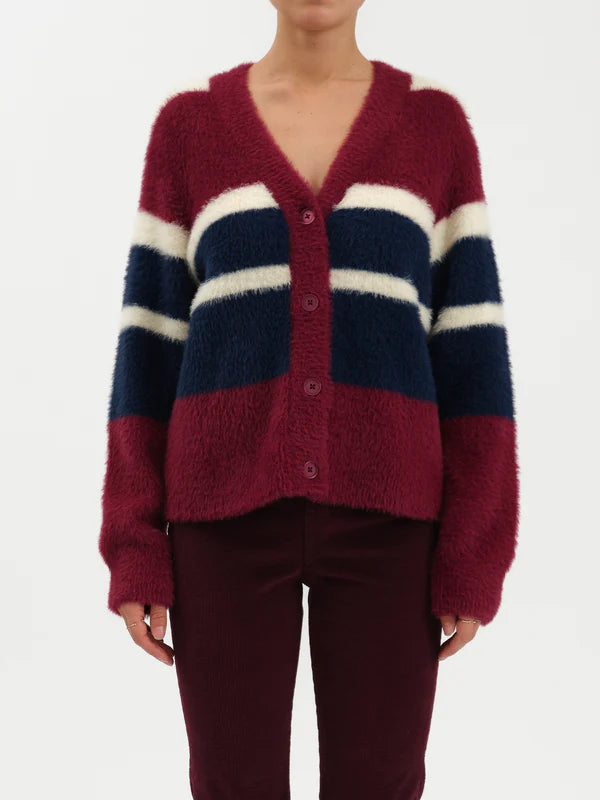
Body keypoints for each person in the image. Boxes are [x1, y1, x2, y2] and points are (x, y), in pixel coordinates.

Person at [98, 1, 520, 797]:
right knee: (231, 785)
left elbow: (472, 354)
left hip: (392, 521)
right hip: (221, 516)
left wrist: (474, 552)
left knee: (380, 784)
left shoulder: (434, 127)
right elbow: (148, 348)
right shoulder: (189, 128)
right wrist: (134, 543)